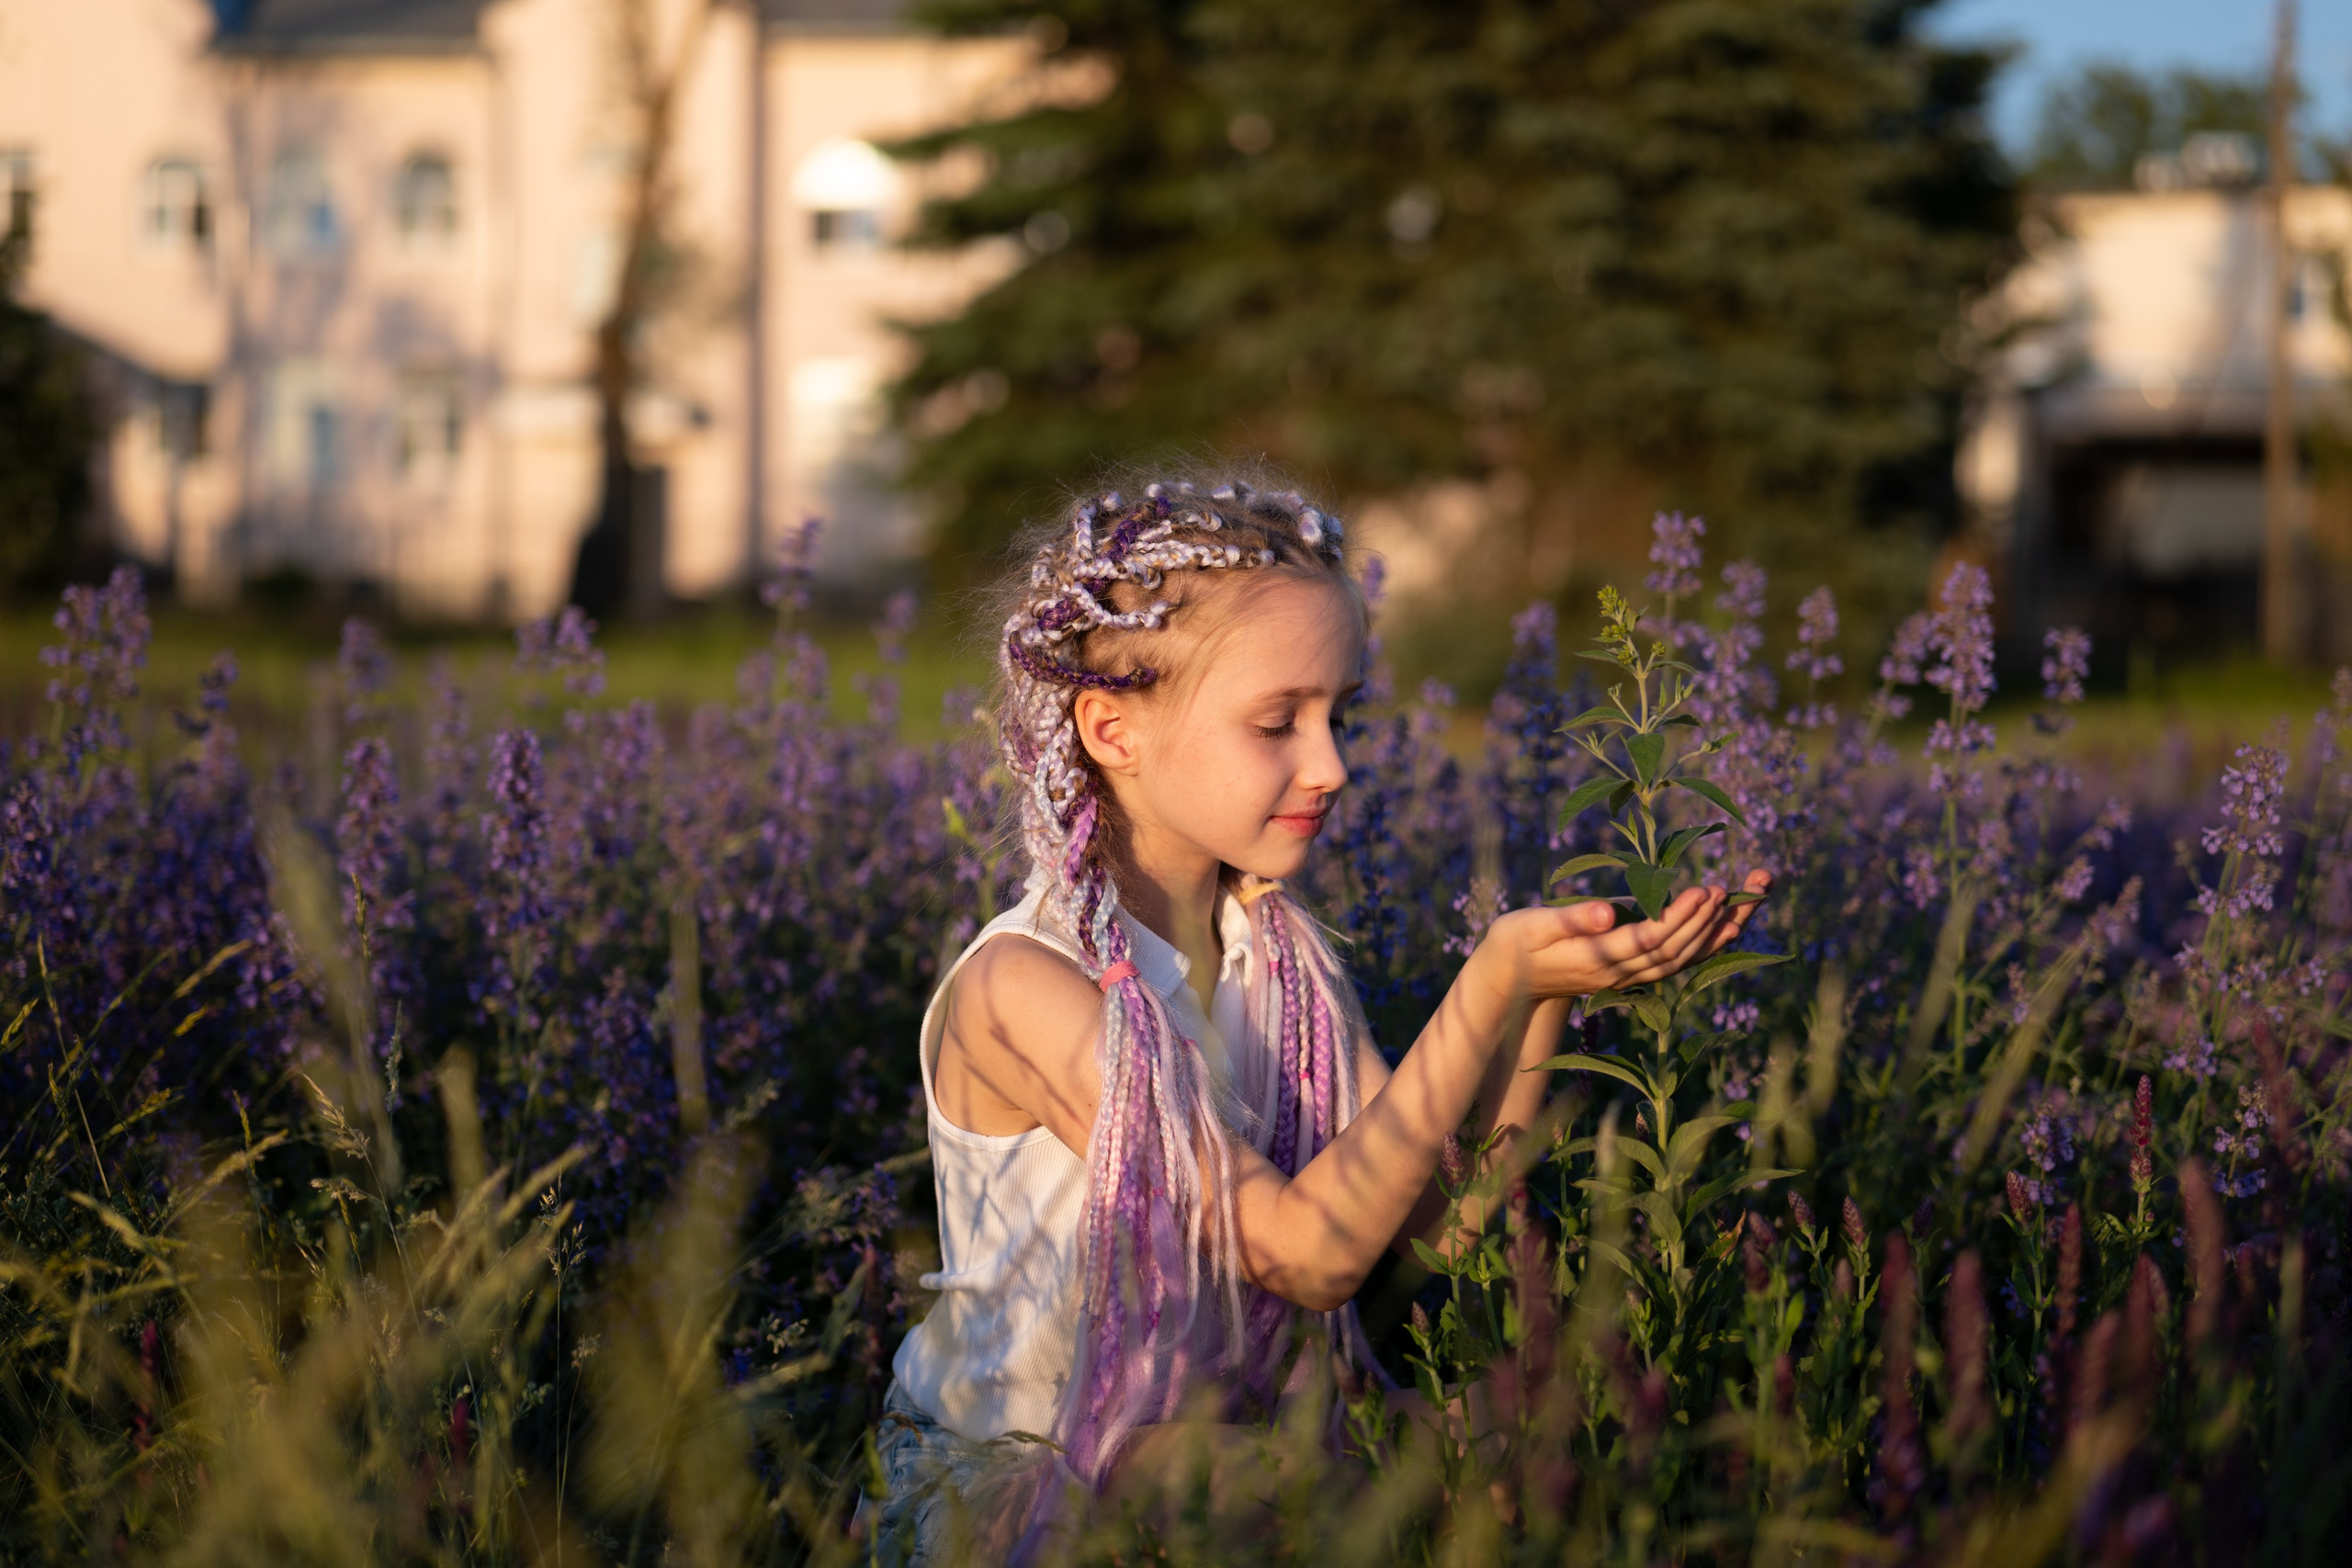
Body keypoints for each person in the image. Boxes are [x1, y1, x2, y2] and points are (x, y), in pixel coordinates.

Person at [865, 476, 1768, 1562]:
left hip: (1228, 1436)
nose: (1332, 764)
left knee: (1538, 1431)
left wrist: (1536, 999)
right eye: (1276, 722)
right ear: (1111, 728)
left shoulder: (1270, 956)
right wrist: (1483, 982)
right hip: (1012, 1480)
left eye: (1341, 716)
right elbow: (1308, 1257)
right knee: (1251, 1476)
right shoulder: (1027, 987)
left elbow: (1443, 1219)